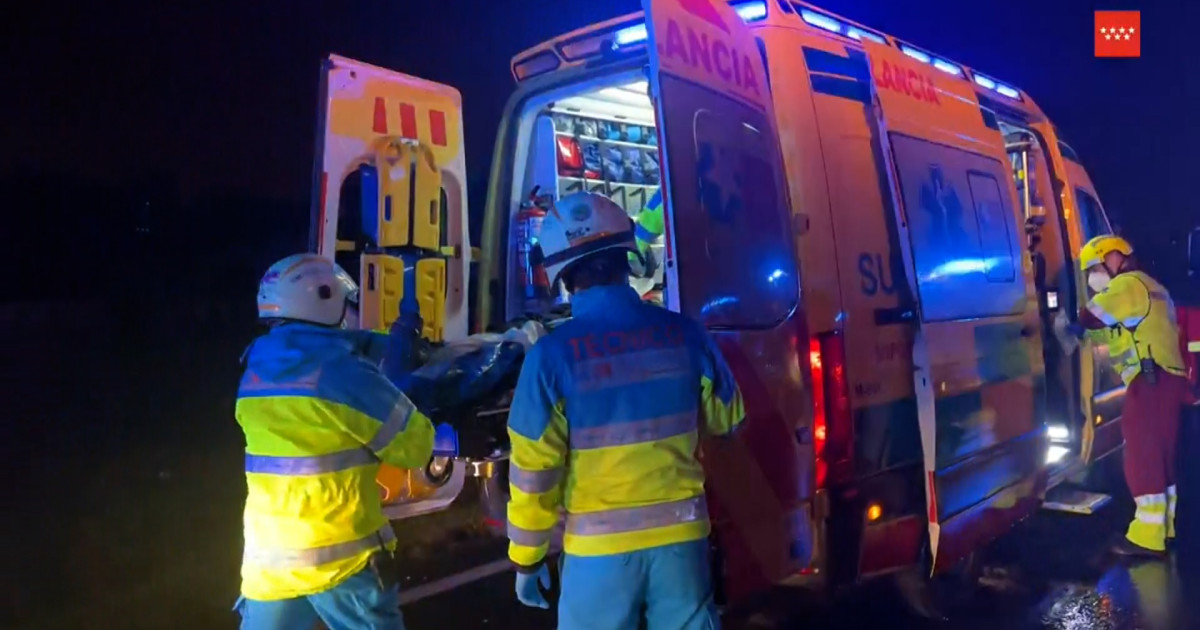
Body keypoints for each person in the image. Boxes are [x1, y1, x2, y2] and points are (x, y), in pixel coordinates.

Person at [505, 192, 745, 629]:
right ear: (626, 255)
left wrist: (527, 558)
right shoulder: (685, 335)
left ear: (559, 273)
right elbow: (727, 418)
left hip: (598, 555)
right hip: (682, 544)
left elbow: (532, 475)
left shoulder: (551, 358)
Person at [234, 253, 443, 630]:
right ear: (326, 299)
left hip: (271, 563)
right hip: (343, 561)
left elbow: (324, 349)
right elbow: (414, 447)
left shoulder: (257, 367)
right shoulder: (344, 374)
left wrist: (383, 343)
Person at [1070, 235, 1190, 557]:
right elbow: (1114, 331)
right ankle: (1165, 527)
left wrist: (1070, 321)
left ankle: (1146, 537)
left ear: (1112, 258)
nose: (1094, 275)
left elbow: (1092, 316)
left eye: (1095, 266)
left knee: (1141, 455)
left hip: (1150, 381)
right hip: (1166, 378)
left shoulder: (1127, 285)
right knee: (1161, 456)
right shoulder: (1151, 287)